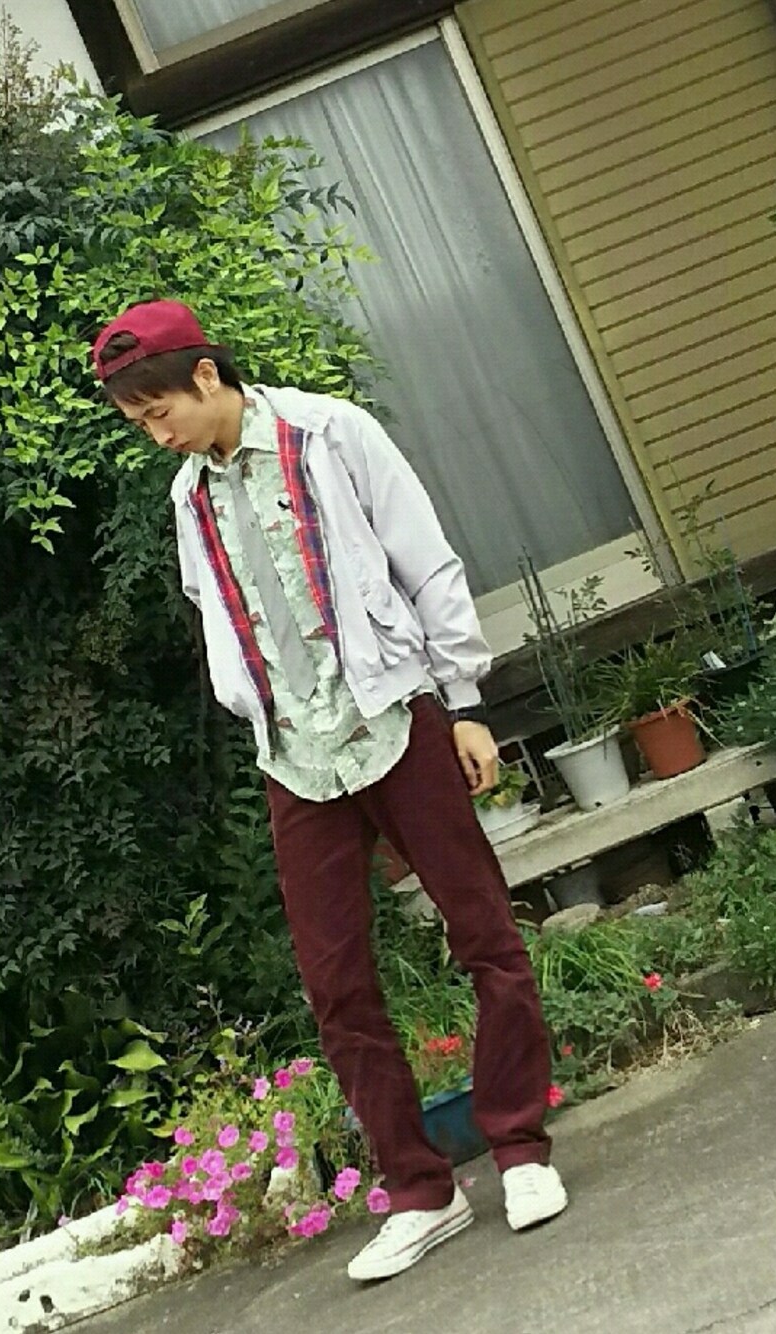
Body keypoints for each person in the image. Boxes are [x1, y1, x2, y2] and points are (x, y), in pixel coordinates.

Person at [91, 299, 568, 1281]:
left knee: (483, 930)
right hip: (295, 757)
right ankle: (422, 1191)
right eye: (137, 423)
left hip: (395, 717)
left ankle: (520, 1148)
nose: (156, 434)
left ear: (206, 375)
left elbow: (425, 561)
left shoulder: (330, 433)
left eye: (158, 411)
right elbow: (216, 609)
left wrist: (464, 701)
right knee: (335, 982)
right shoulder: (188, 496)